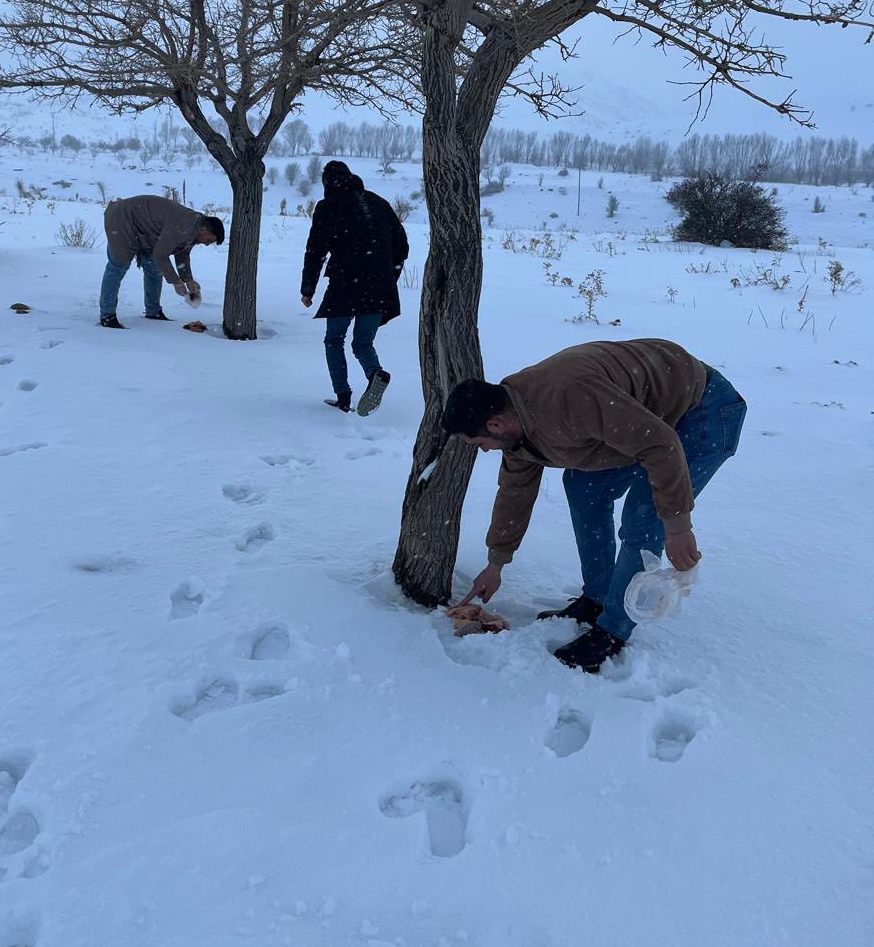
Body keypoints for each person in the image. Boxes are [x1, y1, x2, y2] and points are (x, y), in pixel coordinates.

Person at [442, 338, 746, 672]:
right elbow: (514, 492)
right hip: (642, 418)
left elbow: (661, 445)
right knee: (583, 485)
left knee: (643, 518)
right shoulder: (516, 426)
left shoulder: (568, 399)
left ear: (496, 425)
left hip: (702, 410)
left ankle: (613, 630)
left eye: (479, 443)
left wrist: (677, 526)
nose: (484, 450)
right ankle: (597, 597)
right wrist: (496, 563)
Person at [300, 160, 409, 415]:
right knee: (362, 342)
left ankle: (343, 396)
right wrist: (386, 274)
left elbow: (315, 250)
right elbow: (402, 247)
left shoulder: (328, 207)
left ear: (326, 182)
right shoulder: (379, 203)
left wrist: (308, 288)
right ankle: (375, 373)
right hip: (379, 285)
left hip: (345, 284)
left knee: (334, 339)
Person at [99, 196, 225, 329]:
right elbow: (160, 255)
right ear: (204, 230)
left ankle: (153, 312)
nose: (206, 244)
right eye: (208, 240)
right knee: (118, 266)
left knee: (154, 269)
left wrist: (188, 280)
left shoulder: (195, 229)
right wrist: (176, 282)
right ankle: (107, 316)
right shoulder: (184, 225)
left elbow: (182, 253)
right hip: (123, 219)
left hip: (146, 232)